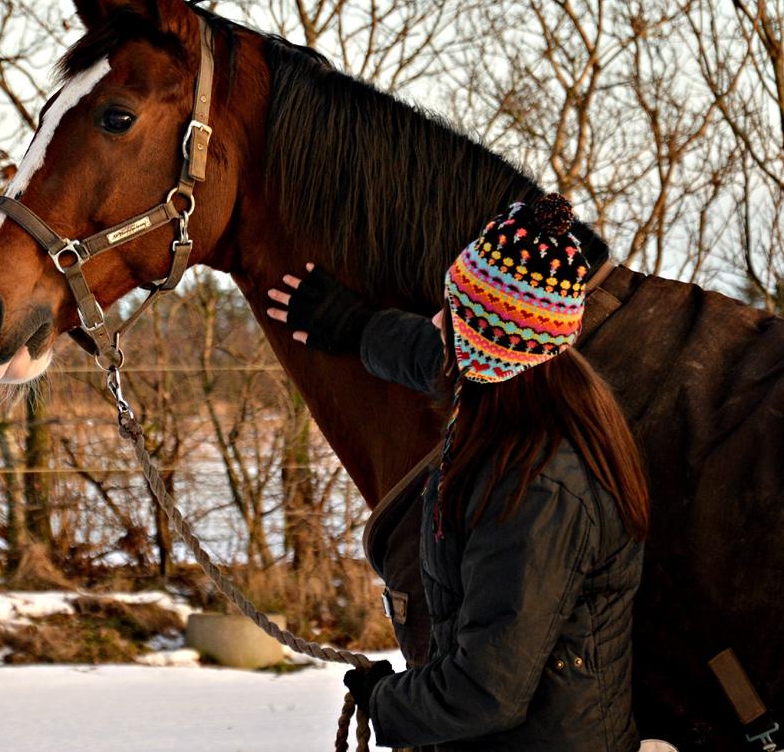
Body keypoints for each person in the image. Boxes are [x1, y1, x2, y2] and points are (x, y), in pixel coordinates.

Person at [266, 193, 649, 752]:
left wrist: (385, 699)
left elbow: (486, 692)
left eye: (455, 312)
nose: (440, 320)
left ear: (487, 348)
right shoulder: (533, 389)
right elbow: (434, 352)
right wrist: (352, 327)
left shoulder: (535, 489)